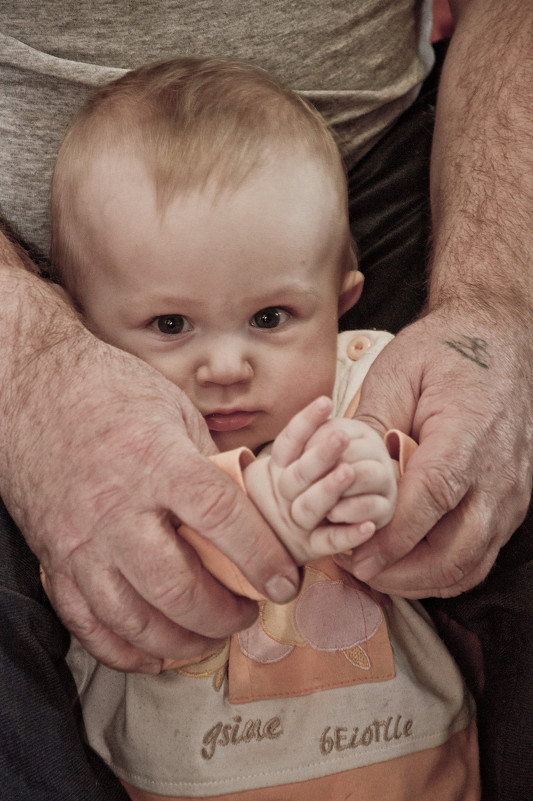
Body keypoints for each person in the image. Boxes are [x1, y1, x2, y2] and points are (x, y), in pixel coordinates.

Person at [0, 2, 531, 799]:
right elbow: (167, 563)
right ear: (81, 318)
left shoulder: (363, 379)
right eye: (170, 324)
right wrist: (276, 509)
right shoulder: (112, 441)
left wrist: (376, 476)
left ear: (342, 298)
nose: (223, 365)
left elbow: (426, 469)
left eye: (270, 319)